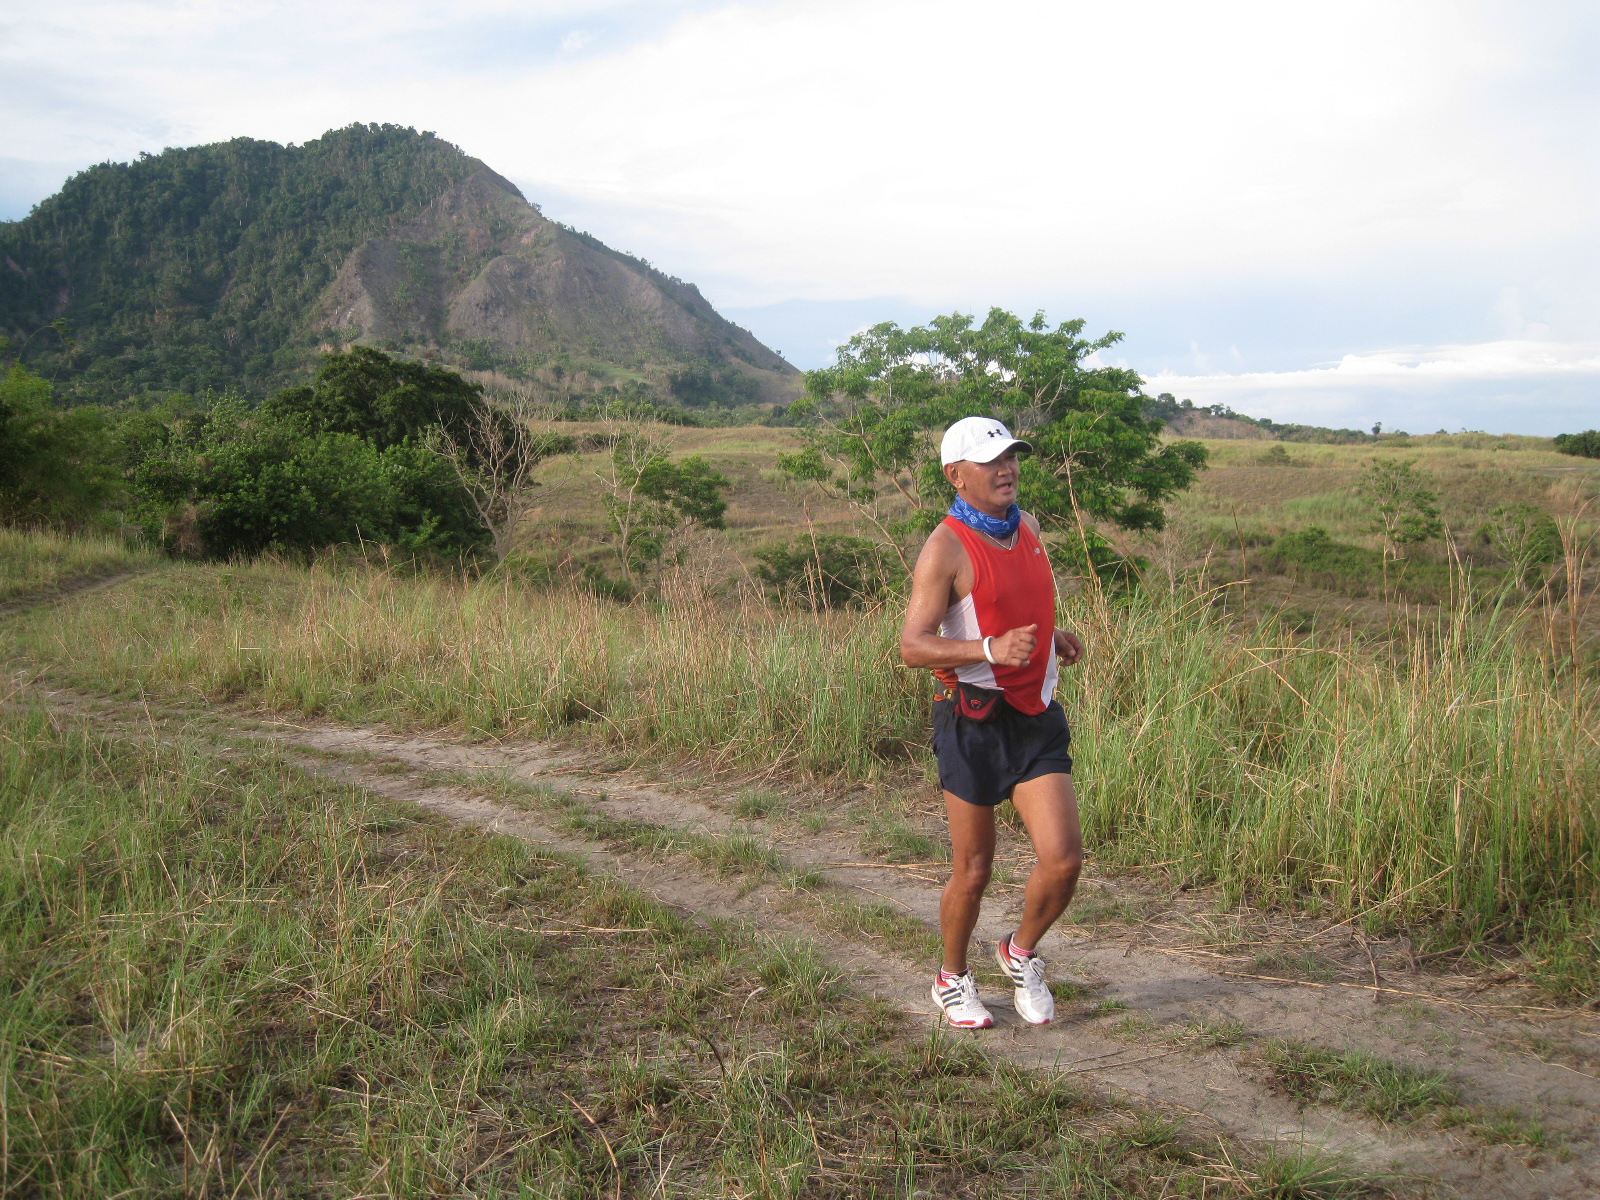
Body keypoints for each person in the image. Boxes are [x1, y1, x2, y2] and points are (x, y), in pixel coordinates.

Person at [900, 416, 1085, 1029]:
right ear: (956, 475)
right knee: (974, 870)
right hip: (972, 721)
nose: (1007, 469)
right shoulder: (945, 547)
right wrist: (988, 650)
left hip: (1035, 714)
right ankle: (951, 978)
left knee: (1063, 860)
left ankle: (1020, 952)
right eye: (990, 462)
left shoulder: (1027, 527)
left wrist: (1051, 637)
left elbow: (1016, 603)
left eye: (1011, 457)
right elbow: (913, 645)